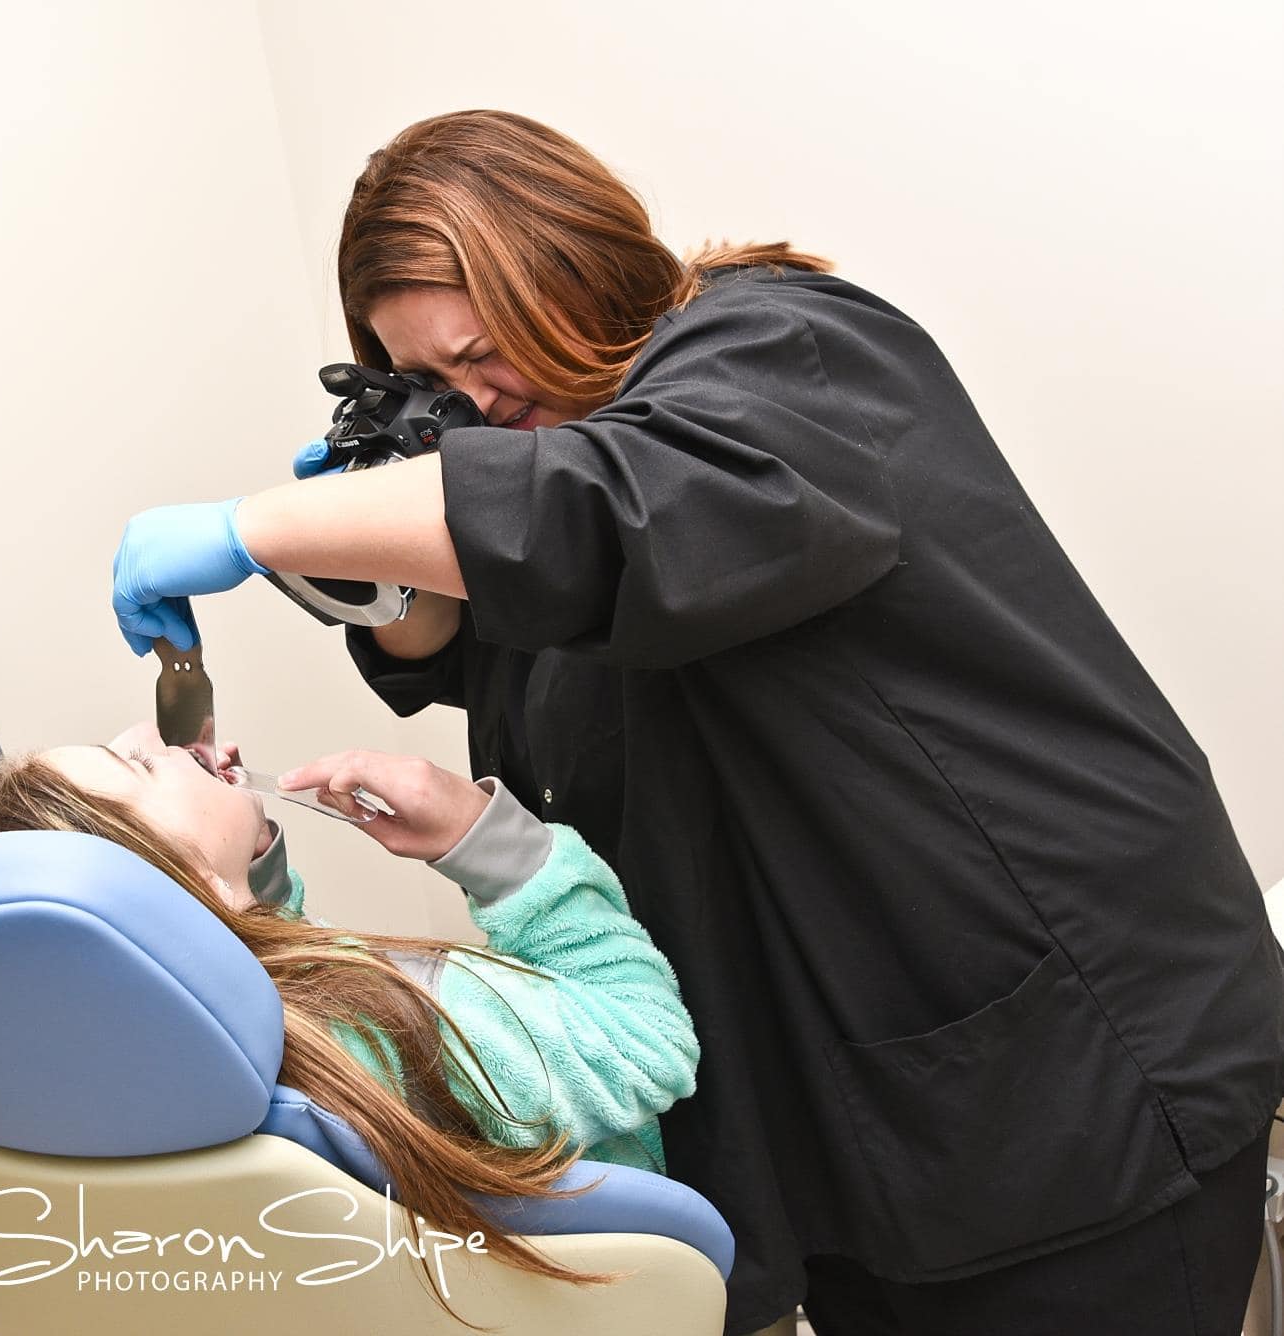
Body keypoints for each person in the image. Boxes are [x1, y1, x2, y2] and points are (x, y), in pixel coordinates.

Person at [107, 110, 1284, 1335]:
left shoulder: (777, 350)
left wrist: (253, 528)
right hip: (857, 1093)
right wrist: (372, 556)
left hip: (1059, 1049)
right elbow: (514, 643)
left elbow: (613, 528)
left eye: (483, 352)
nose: (476, 399)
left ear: (566, 266)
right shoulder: (562, 454)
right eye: (435, 385)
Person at [0, 730, 700, 1298]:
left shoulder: (136, 1073)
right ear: (193, 881)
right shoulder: (404, 1018)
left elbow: (255, 979)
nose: (154, 736)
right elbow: (646, 1041)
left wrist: (247, 878)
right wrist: (490, 842)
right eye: (138, 765)